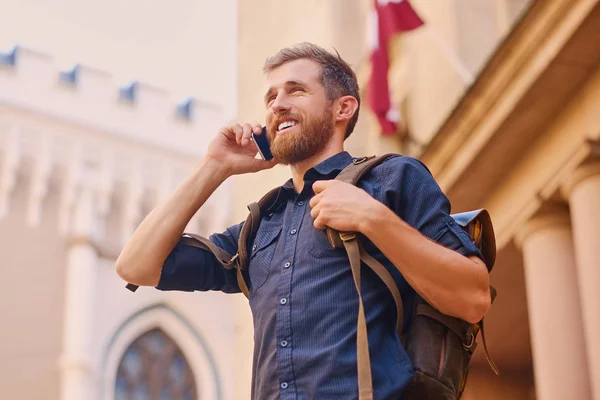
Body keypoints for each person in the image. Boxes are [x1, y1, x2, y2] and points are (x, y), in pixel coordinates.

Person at [115, 42, 491, 399]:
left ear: (343, 108)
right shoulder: (258, 227)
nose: (277, 104)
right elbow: (136, 265)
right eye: (270, 97)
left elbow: (473, 297)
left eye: (295, 91)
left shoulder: (393, 179)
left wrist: (372, 217)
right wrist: (215, 167)